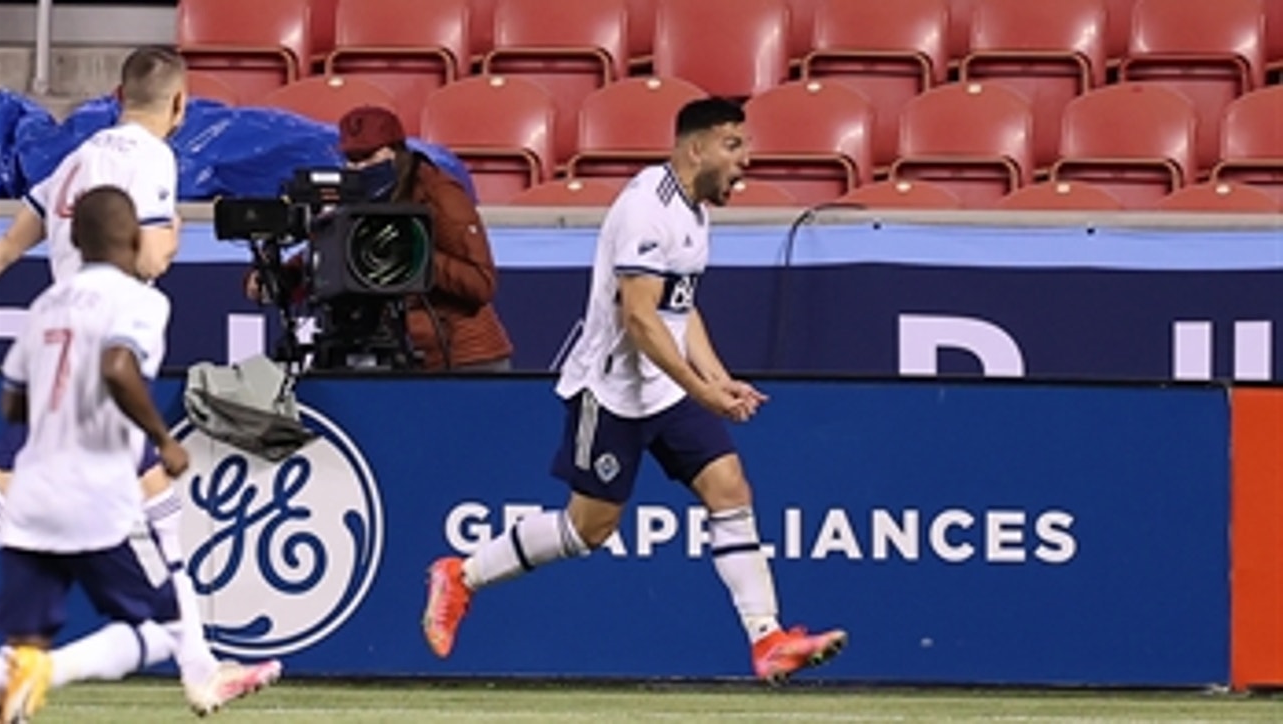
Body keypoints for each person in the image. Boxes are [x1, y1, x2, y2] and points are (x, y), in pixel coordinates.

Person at [420, 98, 848, 682]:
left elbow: (680, 306)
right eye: (734, 145)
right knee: (587, 530)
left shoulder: (695, 211)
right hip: (612, 390)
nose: (746, 159)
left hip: (664, 388)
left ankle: (767, 638)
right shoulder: (647, 210)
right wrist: (702, 391)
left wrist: (717, 376)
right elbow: (641, 321)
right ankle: (460, 575)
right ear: (695, 148)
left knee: (729, 487)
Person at [0, 46, 280, 714]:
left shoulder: (77, 158)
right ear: (179, 106)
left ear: (118, 94)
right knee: (129, 511)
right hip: (106, 342)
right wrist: (174, 233)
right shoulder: (152, 160)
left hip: (57, 336)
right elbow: (145, 253)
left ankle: (197, 667)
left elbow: (7, 248)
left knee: (148, 498)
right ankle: (187, 663)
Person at [0, 186, 190, 721]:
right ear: (132, 236)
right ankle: (47, 673)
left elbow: (13, 397)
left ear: (74, 239)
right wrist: (164, 438)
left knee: (21, 641)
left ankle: (18, 676)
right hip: (96, 493)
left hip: (32, 495)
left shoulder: (46, 303)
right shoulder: (144, 301)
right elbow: (117, 366)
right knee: (162, 630)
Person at [245, 105, 514, 372]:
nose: (358, 167)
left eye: (368, 157)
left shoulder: (439, 193)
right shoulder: (350, 195)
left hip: (463, 358)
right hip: (391, 352)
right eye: (351, 158)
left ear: (395, 152)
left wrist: (412, 255)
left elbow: (481, 283)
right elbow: (330, 253)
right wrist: (279, 278)